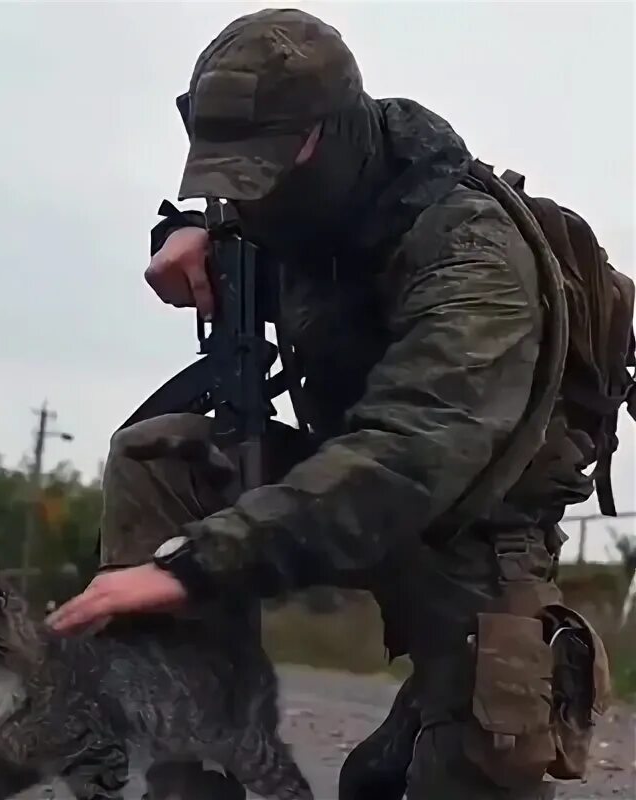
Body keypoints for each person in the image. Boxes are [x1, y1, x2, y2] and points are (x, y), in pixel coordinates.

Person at [48, 8, 612, 800]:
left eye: (269, 169)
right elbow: (241, 209)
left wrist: (201, 564)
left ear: (335, 132)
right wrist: (180, 232)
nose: (254, 196)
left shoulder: (473, 255)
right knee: (158, 452)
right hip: (333, 478)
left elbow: (413, 450)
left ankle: (428, 718)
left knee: (496, 743)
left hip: (467, 524)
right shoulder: (301, 198)